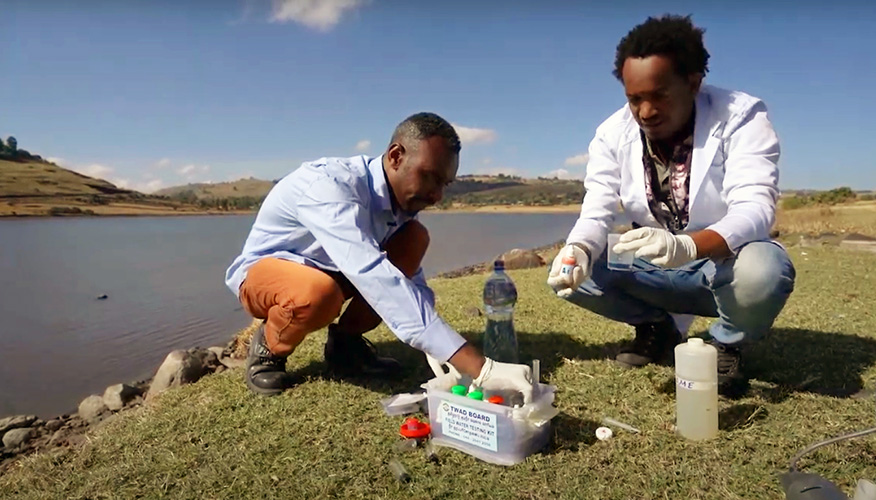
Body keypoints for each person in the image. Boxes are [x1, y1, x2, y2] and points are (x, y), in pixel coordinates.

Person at [547, 15, 796, 394]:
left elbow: (755, 208)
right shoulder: (611, 134)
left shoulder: (741, 116)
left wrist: (689, 245)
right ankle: (656, 327)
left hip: (718, 264)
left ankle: (725, 343)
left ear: (693, 83)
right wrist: (578, 248)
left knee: (764, 270)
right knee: (573, 271)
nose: (645, 112)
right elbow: (596, 209)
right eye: (634, 99)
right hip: (655, 264)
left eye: (659, 95)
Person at [225, 112, 533, 401]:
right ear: (396, 156)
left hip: (334, 272)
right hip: (267, 276)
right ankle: (269, 346)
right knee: (317, 293)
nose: (437, 195)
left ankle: (345, 346)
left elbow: (407, 281)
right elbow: (372, 272)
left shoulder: (397, 206)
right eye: (430, 177)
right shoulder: (330, 187)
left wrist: (438, 348)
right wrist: (479, 367)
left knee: (414, 238)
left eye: (444, 184)